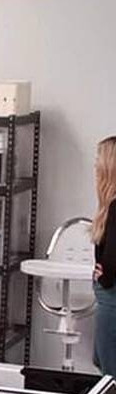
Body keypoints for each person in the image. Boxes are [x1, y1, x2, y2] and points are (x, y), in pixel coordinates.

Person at [92, 136, 116, 376]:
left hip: (112, 297)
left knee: (109, 370)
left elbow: (112, 257)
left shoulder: (115, 208)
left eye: (99, 158)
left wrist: (104, 276)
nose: (95, 164)